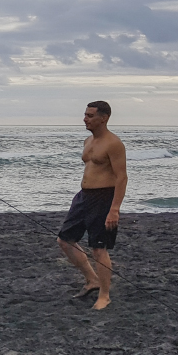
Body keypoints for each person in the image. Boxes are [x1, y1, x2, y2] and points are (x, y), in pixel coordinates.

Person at [57, 101, 127, 310]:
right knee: (64, 240)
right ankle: (92, 279)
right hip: (83, 197)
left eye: (90, 115)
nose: (85, 119)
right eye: (85, 114)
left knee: (98, 249)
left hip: (104, 198)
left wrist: (114, 209)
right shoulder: (88, 140)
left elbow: (121, 177)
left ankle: (104, 295)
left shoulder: (113, 143)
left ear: (103, 118)